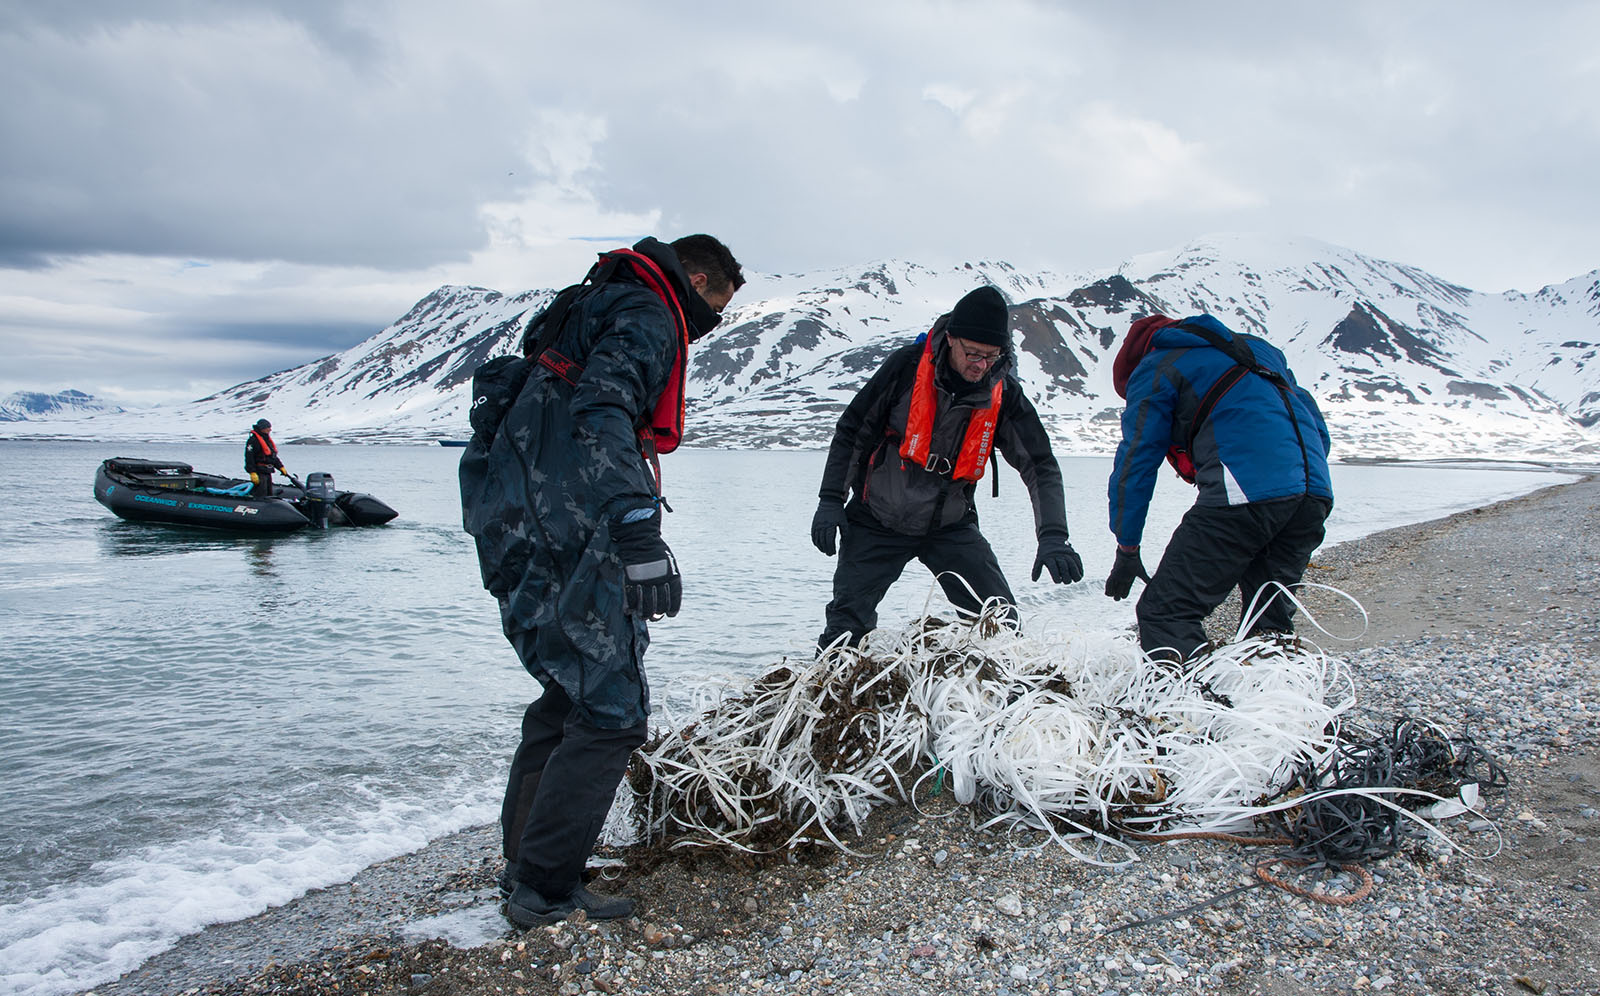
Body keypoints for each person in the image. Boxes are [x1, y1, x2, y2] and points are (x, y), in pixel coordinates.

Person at [459, 234, 743, 928]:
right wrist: (637, 528)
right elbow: (604, 408)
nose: (709, 324)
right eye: (714, 306)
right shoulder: (647, 314)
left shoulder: (584, 305)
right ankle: (545, 889)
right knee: (612, 711)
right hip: (568, 527)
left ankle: (525, 867)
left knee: (565, 693)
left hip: (512, 518)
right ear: (695, 276)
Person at [811, 285, 1084, 650]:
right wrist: (830, 499)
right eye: (972, 353)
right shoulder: (905, 369)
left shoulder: (1005, 393)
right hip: (877, 520)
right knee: (845, 632)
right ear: (950, 338)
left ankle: (1001, 701)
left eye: (991, 356)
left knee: (998, 626)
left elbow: (1041, 466)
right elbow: (851, 431)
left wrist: (1053, 535)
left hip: (950, 526)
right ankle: (828, 698)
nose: (981, 365)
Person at [1104, 313, 1333, 662]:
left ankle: (1195, 711)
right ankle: (1276, 708)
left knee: (1166, 612)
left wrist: (1127, 548)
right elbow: (1317, 428)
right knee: (1268, 619)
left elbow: (1136, 461)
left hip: (1246, 492)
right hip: (1314, 493)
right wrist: (1288, 488)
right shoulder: (1258, 356)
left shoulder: (1157, 365)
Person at [244, 419, 288, 497]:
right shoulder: (253, 441)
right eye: (268, 427)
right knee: (261, 492)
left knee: (268, 492)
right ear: (262, 428)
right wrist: (252, 472)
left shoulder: (266, 440)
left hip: (268, 471)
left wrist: (280, 467)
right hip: (259, 471)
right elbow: (249, 457)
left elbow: (272, 456)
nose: (270, 429)